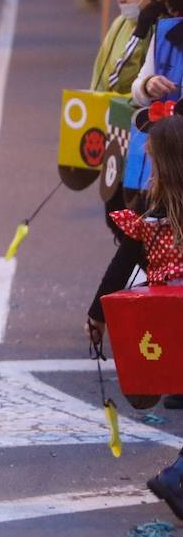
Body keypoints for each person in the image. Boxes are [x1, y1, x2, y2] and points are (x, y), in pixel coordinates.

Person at [86, 114, 183, 513]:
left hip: (167, 317)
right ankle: (177, 480)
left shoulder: (151, 205)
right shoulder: (154, 206)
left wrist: (97, 316)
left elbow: (124, 262)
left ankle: (177, 480)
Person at [93, 0, 154, 96]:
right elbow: (101, 77)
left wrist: (140, 32)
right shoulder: (120, 23)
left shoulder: (161, 28)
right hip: (107, 111)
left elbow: (122, 83)